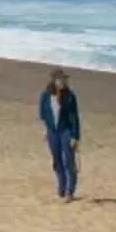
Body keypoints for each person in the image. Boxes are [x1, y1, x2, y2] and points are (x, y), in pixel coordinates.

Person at [38, 69, 83, 201]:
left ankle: (70, 191)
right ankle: (61, 188)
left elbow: (74, 117)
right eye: (61, 79)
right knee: (57, 161)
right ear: (54, 80)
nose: (63, 82)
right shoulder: (45, 95)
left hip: (66, 131)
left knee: (68, 161)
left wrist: (75, 136)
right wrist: (46, 129)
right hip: (53, 131)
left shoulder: (70, 96)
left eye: (65, 79)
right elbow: (43, 114)